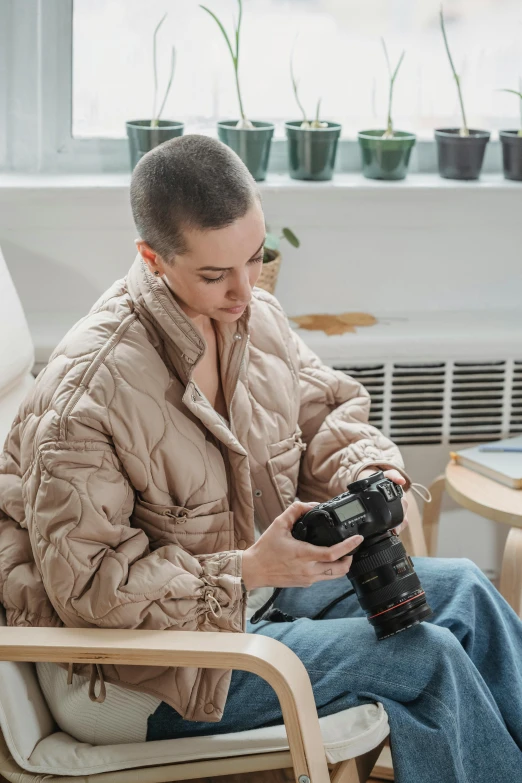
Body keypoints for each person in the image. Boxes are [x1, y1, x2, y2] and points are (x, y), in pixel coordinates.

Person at [0, 135, 521, 783]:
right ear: (152, 257)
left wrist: (367, 470)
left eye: (255, 258)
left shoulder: (254, 319)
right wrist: (248, 567)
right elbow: (92, 589)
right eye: (215, 274)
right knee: (427, 658)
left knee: (469, 591)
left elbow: (323, 412)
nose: (245, 291)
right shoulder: (88, 393)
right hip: (141, 670)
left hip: (255, 599)